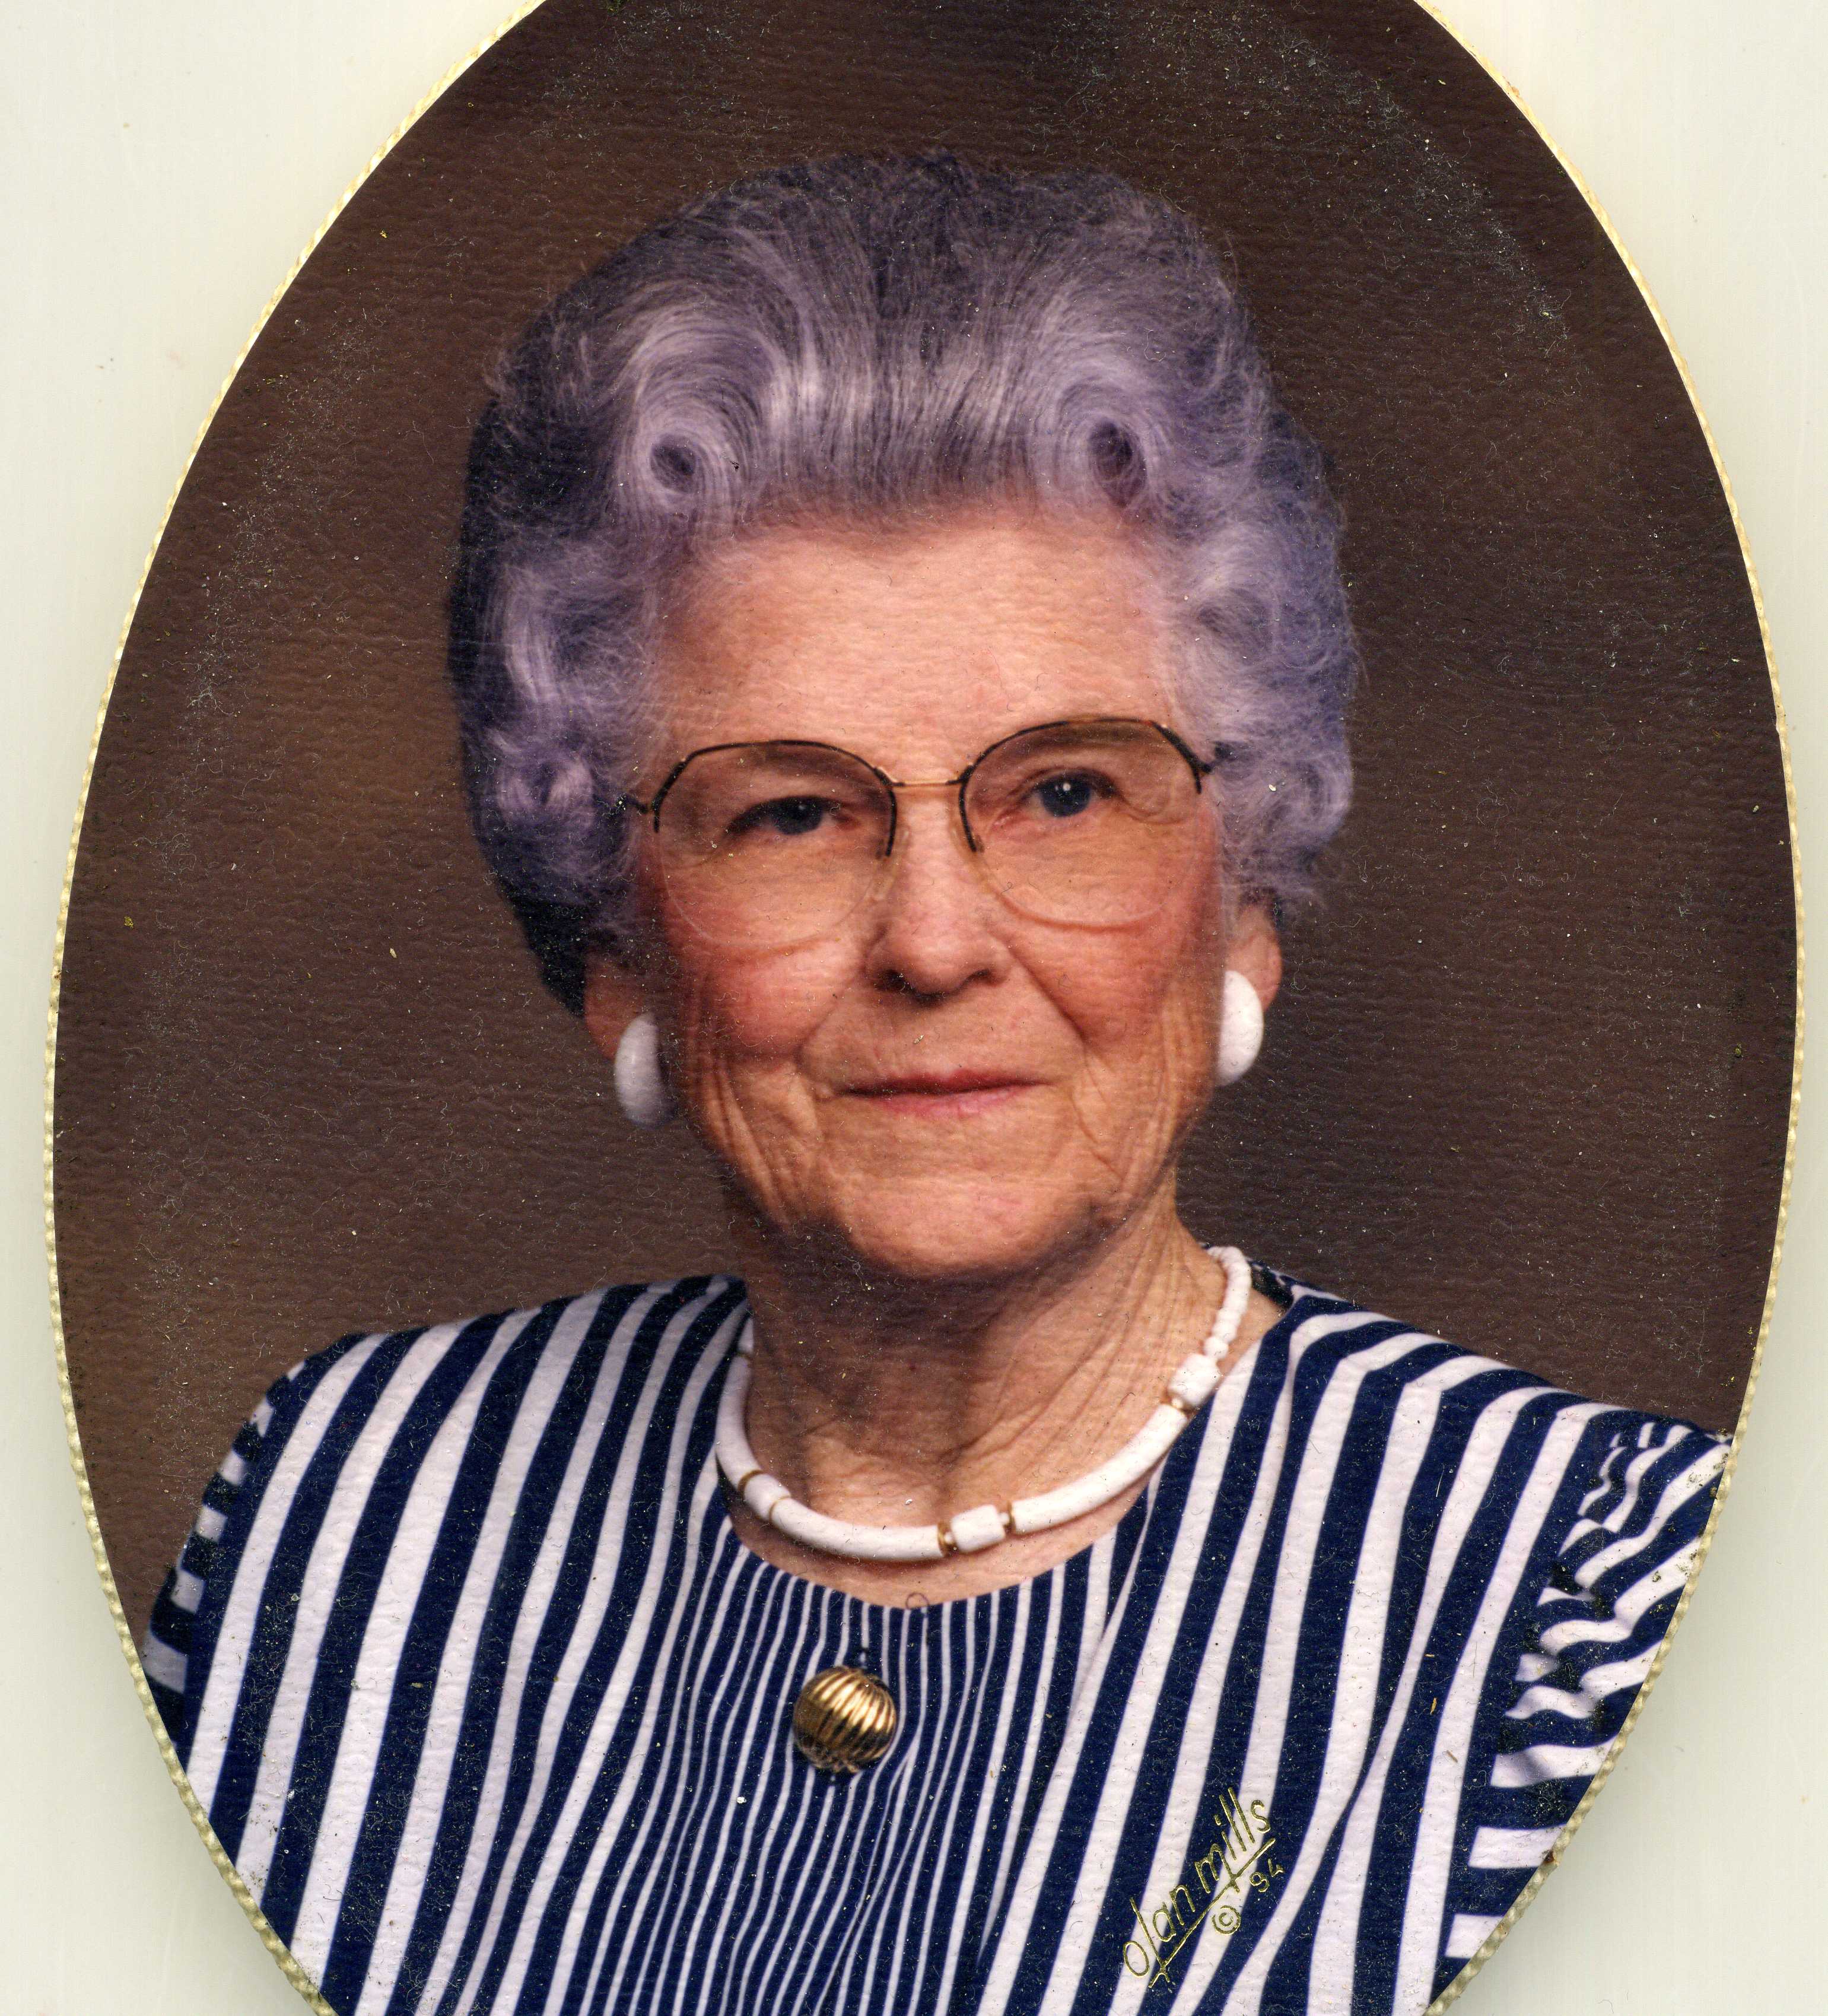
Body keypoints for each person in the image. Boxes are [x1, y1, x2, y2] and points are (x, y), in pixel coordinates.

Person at [141, 154, 1722, 2016]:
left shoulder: (1599, 1597)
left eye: (1065, 791)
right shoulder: (351, 1508)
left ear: (1239, 899)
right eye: (788, 814)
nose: (934, 941)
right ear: (618, 938)